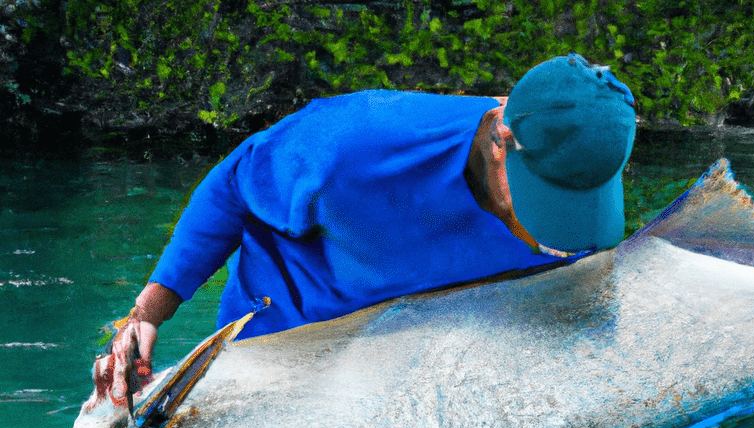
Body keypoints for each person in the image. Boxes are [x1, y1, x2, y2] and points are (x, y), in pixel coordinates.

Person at [92, 52, 636, 407]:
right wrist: (147, 315)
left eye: (578, 203)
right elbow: (231, 187)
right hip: (280, 350)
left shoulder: (581, 194)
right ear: (501, 132)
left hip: (418, 374)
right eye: (544, 199)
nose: (557, 236)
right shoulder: (351, 145)